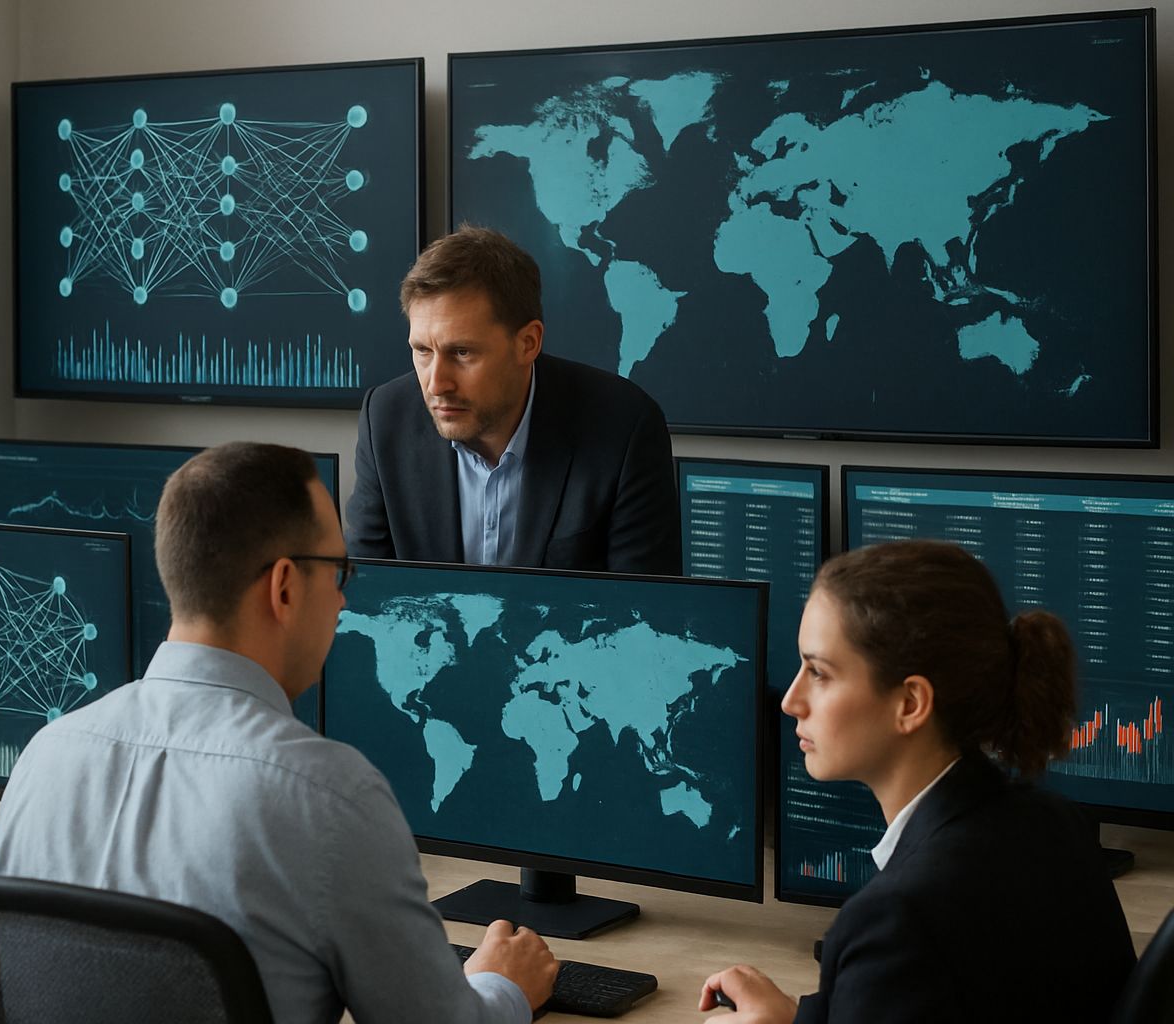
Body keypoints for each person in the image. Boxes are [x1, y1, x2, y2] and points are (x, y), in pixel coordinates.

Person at [0, 441, 557, 1023]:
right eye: (340, 572)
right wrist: (502, 985)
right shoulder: (329, 795)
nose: (342, 601)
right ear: (284, 586)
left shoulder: (46, 754)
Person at [700, 539, 1135, 1023]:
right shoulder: (1057, 825)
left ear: (910, 704)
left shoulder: (897, 920)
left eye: (819, 672)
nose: (791, 700)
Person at [346, 225, 680, 574]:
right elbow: (367, 600)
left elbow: (642, 616)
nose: (436, 384)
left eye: (462, 352)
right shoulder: (384, 419)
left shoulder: (624, 428)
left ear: (528, 343)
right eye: (422, 351)